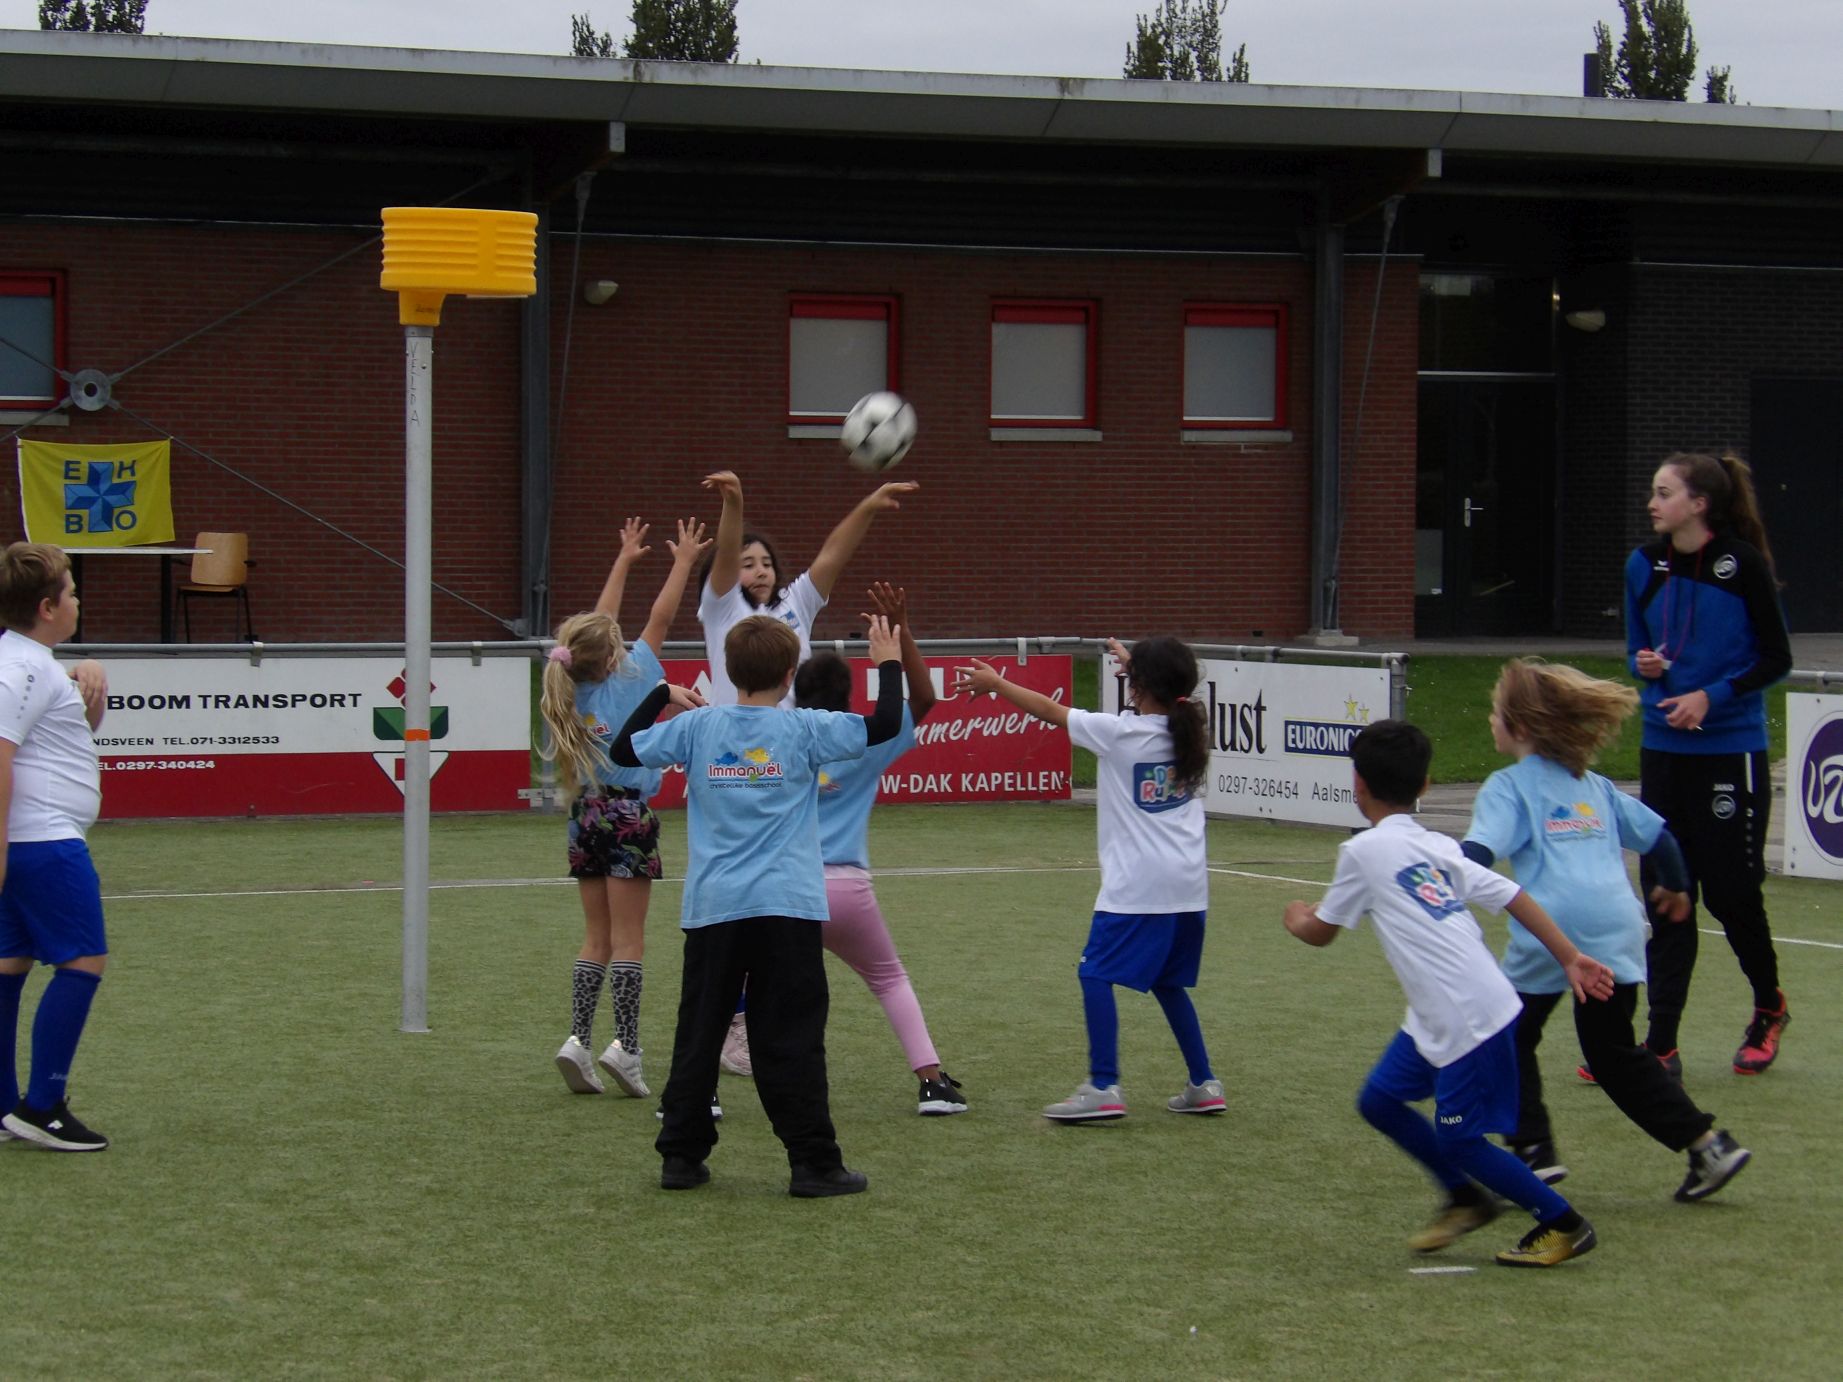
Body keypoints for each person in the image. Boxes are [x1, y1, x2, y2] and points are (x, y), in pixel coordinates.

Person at [1282, 719, 1616, 1268]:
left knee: (1461, 1140)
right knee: (1379, 1101)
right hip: (1446, 1010)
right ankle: (1465, 1198)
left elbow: (1319, 933)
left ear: (1357, 783)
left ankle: (1564, 1223)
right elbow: (1512, 894)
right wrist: (1570, 957)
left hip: (1468, 1017)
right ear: (1426, 785)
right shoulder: (1437, 845)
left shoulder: (1362, 851)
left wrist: (1296, 915)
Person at [610, 612, 907, 1197]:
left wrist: (661, 694)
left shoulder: (697, 727)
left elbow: (624, 748)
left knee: (700, 1031)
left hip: (715, 907)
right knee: (793, 1035)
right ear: (790, 673)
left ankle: (681, 1157)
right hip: (787, 907)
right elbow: (886, 725)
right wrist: (889, 663)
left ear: (728, 669)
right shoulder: (805, 728)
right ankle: (814, 1163)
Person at [1462, 659, 1752, 1203]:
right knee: (1614, 1054)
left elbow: (1479, 851)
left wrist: (1441, 877)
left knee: (1505, 1036)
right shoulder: (1593, 785)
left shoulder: (1507, 787)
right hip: (1616, 927)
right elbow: (1660, 837)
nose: (1490, 720)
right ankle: (1708, 1146)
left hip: (1552, 932)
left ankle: (1532, 1152)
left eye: (1495, 713)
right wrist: (1675, 885)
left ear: (1518, 726)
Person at [695, 469, 919, 1078]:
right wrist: (735, 502)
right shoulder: (721, 607)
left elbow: (831, 556)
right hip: (736, 762)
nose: (758, 569)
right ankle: (732, 1022)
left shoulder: (795, 607)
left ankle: (756, 1021)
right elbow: (723, 558)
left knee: (779, 901)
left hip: (789, 765)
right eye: (747, 562)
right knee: (741, 898)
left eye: (766, 562)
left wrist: (867, 504)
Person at [953, 636, 1225, 1124]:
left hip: (1138, 885)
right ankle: (1204, 1083)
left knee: (1094, 972)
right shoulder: (1188, 730)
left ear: (1139, 685)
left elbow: (1049, 710)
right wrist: (1136, 667)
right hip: (1188, 885)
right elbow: (1158, 695)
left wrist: (997, 684)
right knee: (1167, 982)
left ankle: (1103, 1085)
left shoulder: (1118, 733)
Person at [1626, 451, 1793, 1075]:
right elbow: (1635, 651)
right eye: (1653, 492)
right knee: (1667, 893)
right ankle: (1660, 1044)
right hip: (1663, 752)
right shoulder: (1642, 564)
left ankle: (1769, 1006)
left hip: (1730, 752)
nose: (1652, 503)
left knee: (1731, 894)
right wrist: (1644, 665)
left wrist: (1710, 696)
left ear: (1698, 504)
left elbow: (1776, 659)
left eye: (1664, 492)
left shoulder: (1742, 565)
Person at [538, 517, 709, 1100]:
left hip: (584, 817)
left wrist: (624, 560)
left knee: (596, 938)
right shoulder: (633, 678)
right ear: (613, 655)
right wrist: (682, 562)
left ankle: (577, 1040)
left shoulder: (568, 690)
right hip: (629, 816)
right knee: (630, 941)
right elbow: (660, 619)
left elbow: (598, 624)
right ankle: (627, 1049)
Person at [796, 582, 964, 1117]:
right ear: (849, 697)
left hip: (787, 888)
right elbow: (925, 700)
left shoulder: (782, 738)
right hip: (847, 889)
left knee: (747, 980)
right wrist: (901, 634)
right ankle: (932, 1083)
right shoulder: (865, 737)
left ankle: (706, 1090)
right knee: (889, 980)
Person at [0, 543, 112, 1152]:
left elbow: (62, 735)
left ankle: (5, 1109)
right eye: (70, 592)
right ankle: (42, 1108)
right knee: (83, 960)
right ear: (47, 607)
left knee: (8, 965)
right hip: (43, 842)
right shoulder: (21, 669)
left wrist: (88, 678)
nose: (78, 600)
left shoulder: (31, 663)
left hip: (32, 841)